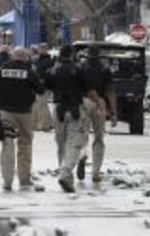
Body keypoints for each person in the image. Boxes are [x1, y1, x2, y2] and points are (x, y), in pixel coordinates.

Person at [0, 47, 44, 191]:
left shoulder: (0, 71)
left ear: (12, 56)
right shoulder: (29, 72)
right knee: (25, 145)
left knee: (7, 145)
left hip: (6, 113)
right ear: (25, 58)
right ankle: (24, 179)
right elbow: (41, 89)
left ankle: (7, 181)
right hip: (25, 113)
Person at [45, 45, 101, 193]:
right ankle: (65, 173)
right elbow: (90, 90)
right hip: (75, 109)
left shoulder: (52, 71)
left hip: (58, 110)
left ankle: (65, 172)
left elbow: (44, 87)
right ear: (72, 55)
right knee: (74, 144)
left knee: (61, 143)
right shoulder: (79, 69)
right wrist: (98, 104)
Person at [78, 44, 117, 182]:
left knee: (82, 133)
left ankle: (82, 154)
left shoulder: (80, 67)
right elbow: (110, 91)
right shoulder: (105, 69)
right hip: (99, 102)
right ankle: (95, 172)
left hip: (83, 101)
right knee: (99, 137)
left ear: (87, 53)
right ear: (99, 54)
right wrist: (113, 112)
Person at [32, 43, 54, 131]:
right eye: (39, 48)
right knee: (39, 105)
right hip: (37, 85)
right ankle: (49, 123)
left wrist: (42, 79)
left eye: (42, 48)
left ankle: (45, 125)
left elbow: (48, 74)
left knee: (42, 105)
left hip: (45, 86)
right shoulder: (38, 60)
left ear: (46, 49)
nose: (40, 50)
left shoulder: (49, 61)